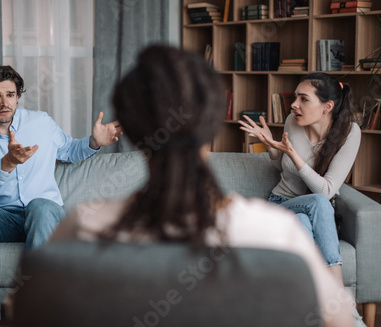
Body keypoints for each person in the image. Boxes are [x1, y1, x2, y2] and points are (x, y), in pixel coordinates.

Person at [49, 46, 354, 326]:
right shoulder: (278, 232)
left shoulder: (82, 227)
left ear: (129, 128)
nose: (295, 105)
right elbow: (339, 320)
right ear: (212, 125)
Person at [0, 65, 122, 327]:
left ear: (17, 96)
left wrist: (93, 142)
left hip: (45, 215)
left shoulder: (40, 122)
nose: (4, 102)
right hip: (5, 220)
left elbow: (68, 151)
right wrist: (7, 163)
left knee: (40, 206)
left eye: (10, 94)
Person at [239, 73, 363, 325]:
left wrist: (294, 156)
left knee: (308, 217)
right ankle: (339, 296)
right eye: (295, 97)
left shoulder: (350, 133)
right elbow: (281, 167)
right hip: (280, 205)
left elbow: (326, 190)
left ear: (327, 107)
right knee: (316, 203)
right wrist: (272, 147)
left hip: (314, 214)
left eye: (303, 99)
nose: (294, 104)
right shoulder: (292, 121)